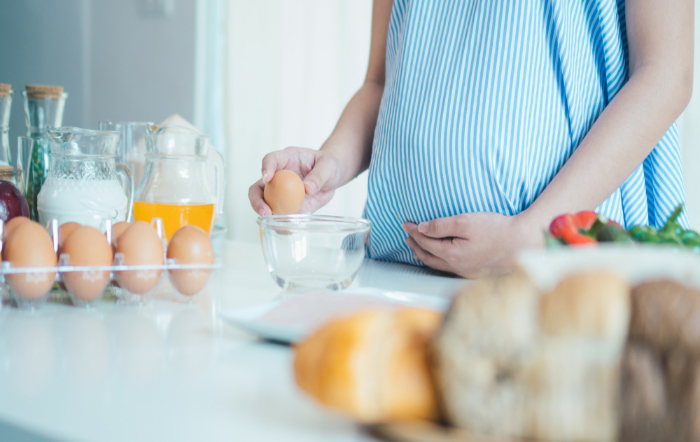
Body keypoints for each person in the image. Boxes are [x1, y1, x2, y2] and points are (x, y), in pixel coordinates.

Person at [249, 0, 694, 278]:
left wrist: (532, 233)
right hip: (398, 273)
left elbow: (665, 76)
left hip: (559, 278)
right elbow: (381, 83)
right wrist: (327, 166)